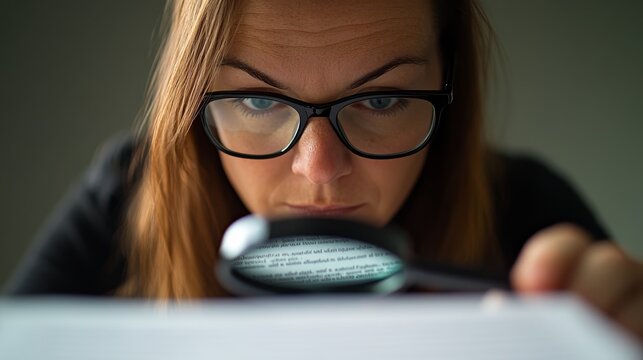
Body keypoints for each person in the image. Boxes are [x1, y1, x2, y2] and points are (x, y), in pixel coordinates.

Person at [5, 0, 642, 339]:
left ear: (450, 90)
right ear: (192, 98)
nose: (319, 170)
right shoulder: (126, 197)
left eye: (382, 99)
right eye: (256, 100)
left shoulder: (525, 215)